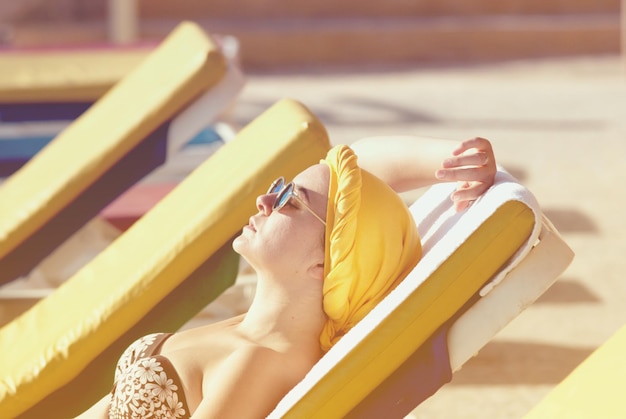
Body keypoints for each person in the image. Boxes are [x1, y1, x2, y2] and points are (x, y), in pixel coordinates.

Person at [77, 136, 497, 419]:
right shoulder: (254, 336)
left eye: (288, 201)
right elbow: (348, 172)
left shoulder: (257, 361)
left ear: (325, 263)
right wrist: (453, 157)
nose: (264, 200)